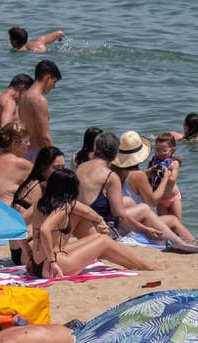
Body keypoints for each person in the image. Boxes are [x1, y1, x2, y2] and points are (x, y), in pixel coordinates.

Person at [22, 170, 158, 279]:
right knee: (104, 240)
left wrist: (29, 253)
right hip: (54, 265)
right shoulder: (64, 206)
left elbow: (18, 225)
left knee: (97, 239)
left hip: (36, 265)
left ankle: (135, 263)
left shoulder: (39, 204)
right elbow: (46, 229)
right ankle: (146, 266)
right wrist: (52, 262)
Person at [18, 60, 62, 153]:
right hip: (37, 153)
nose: (54, 87)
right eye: (54, 82)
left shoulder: (24, 97)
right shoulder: (39, 100)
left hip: (25, 151)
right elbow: (44, 137)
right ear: (47, 78)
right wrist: (54, 157)